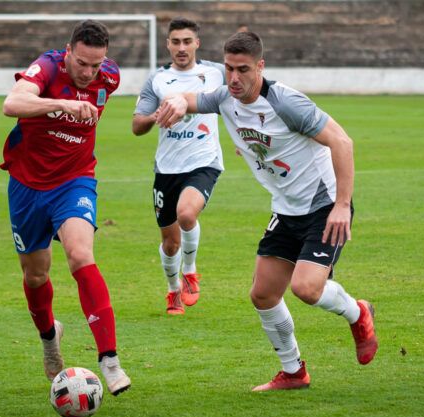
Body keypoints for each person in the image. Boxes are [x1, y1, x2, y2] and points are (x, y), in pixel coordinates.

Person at [157, 31, 378, 391]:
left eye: (243, 69)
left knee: (306, 288)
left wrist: (341, 205)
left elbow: (342, 141)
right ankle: (293, 372)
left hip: (324, 205)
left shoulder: (287, 103)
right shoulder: (226, 97)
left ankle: (359, 313)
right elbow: (192, 99)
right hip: (286, 209)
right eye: (228, 68)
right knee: (262, 294)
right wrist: (181, 103)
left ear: (260, 66)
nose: (233, 78)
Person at [0, 20, 131, 396]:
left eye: (97, 64)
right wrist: (60, 103)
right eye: (83, 63)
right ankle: (48, 338)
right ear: (68, 51)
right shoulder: (49, 67)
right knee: (36, 275)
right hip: (26, 185)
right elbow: (12, 103)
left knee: (79, 254)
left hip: (74, 181)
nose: (90, 73)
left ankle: (110, 361)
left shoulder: (109, 78)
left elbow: (99, 81)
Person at [132, 18, 225, 315]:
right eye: (176, 42)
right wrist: (155, 116)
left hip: (204, 162)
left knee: (187, 214)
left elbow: (244, 98)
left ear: (197, 43)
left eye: (187, 41)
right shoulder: (157, 80)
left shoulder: (215, 74)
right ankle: (173, 291)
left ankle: (191, 272)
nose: (181, 48)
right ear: (168, 44)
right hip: (166, 168)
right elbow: (137, 125)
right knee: (170, 243)